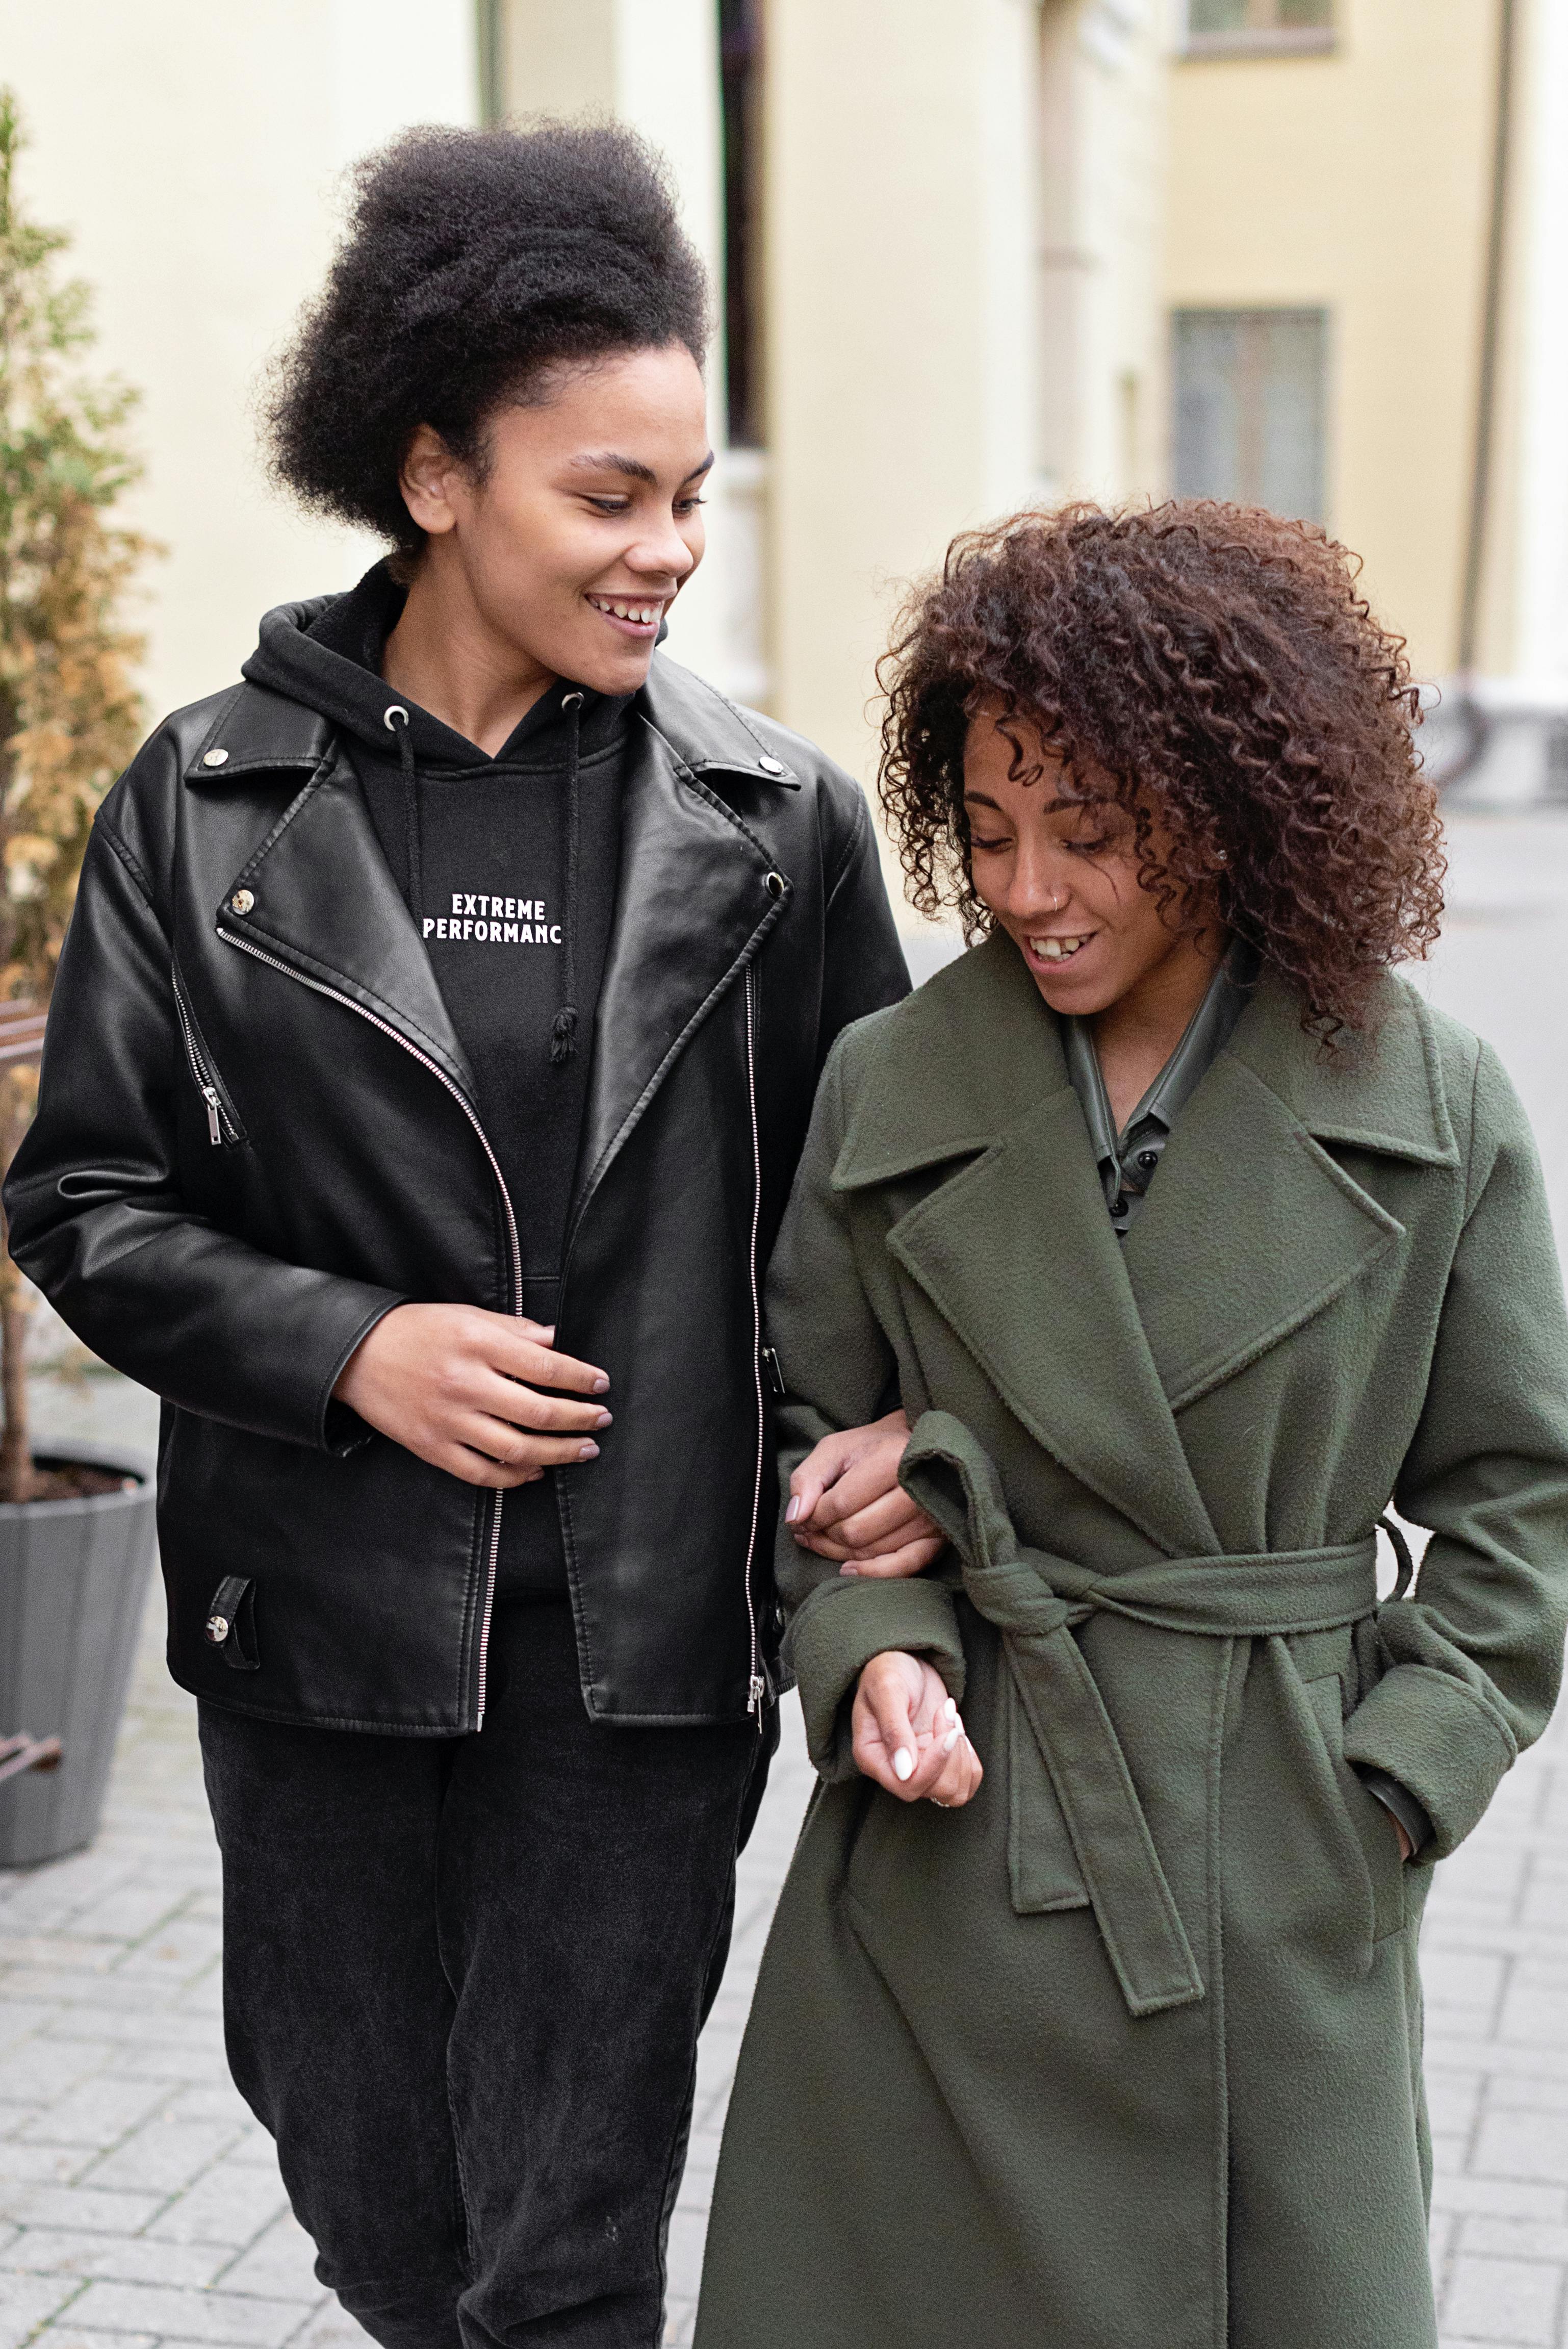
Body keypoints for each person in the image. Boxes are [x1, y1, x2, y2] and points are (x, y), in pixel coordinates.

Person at [6, 123, 907, 2349]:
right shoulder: (206, 798)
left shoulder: (775, 825)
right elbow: (85, 1195)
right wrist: (347, 1347)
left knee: (572, 2238)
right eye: (609, 495)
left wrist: (893, 1491)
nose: (668, 550)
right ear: (433, 476)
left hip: (638, 1649)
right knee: (360, 2182)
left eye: (687, 496)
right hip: (316, 1624)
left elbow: (878, 1225)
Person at [694, 501, 1568, 2349]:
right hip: (962, 1845)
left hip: (1277, 1855)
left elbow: (1521, 1499)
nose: (1024, 892)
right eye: (989, 833)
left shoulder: (1430, 1101)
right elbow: (805, 1431)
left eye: (1087, 835)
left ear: (1235, 816)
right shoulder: (892, 1082)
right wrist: (872, 1660)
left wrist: (1397, 1781)